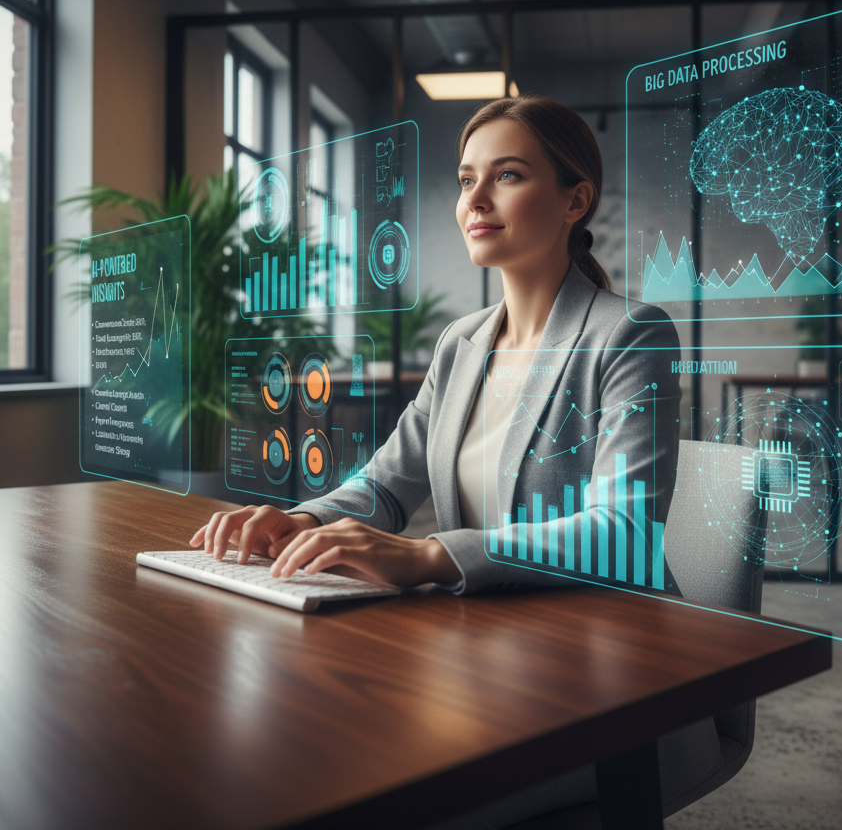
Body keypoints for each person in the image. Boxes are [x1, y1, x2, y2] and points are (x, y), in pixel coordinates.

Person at [191, 95, 681, 594]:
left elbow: (627, 533)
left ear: (574, 201)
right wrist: (306, 520)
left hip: (611, 633)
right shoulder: (461, 342)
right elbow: (385, 484)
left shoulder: (630, 335)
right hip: (490, 629)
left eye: (507, 175)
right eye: (468, 180)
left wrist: (432, 554)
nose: (475, 199)